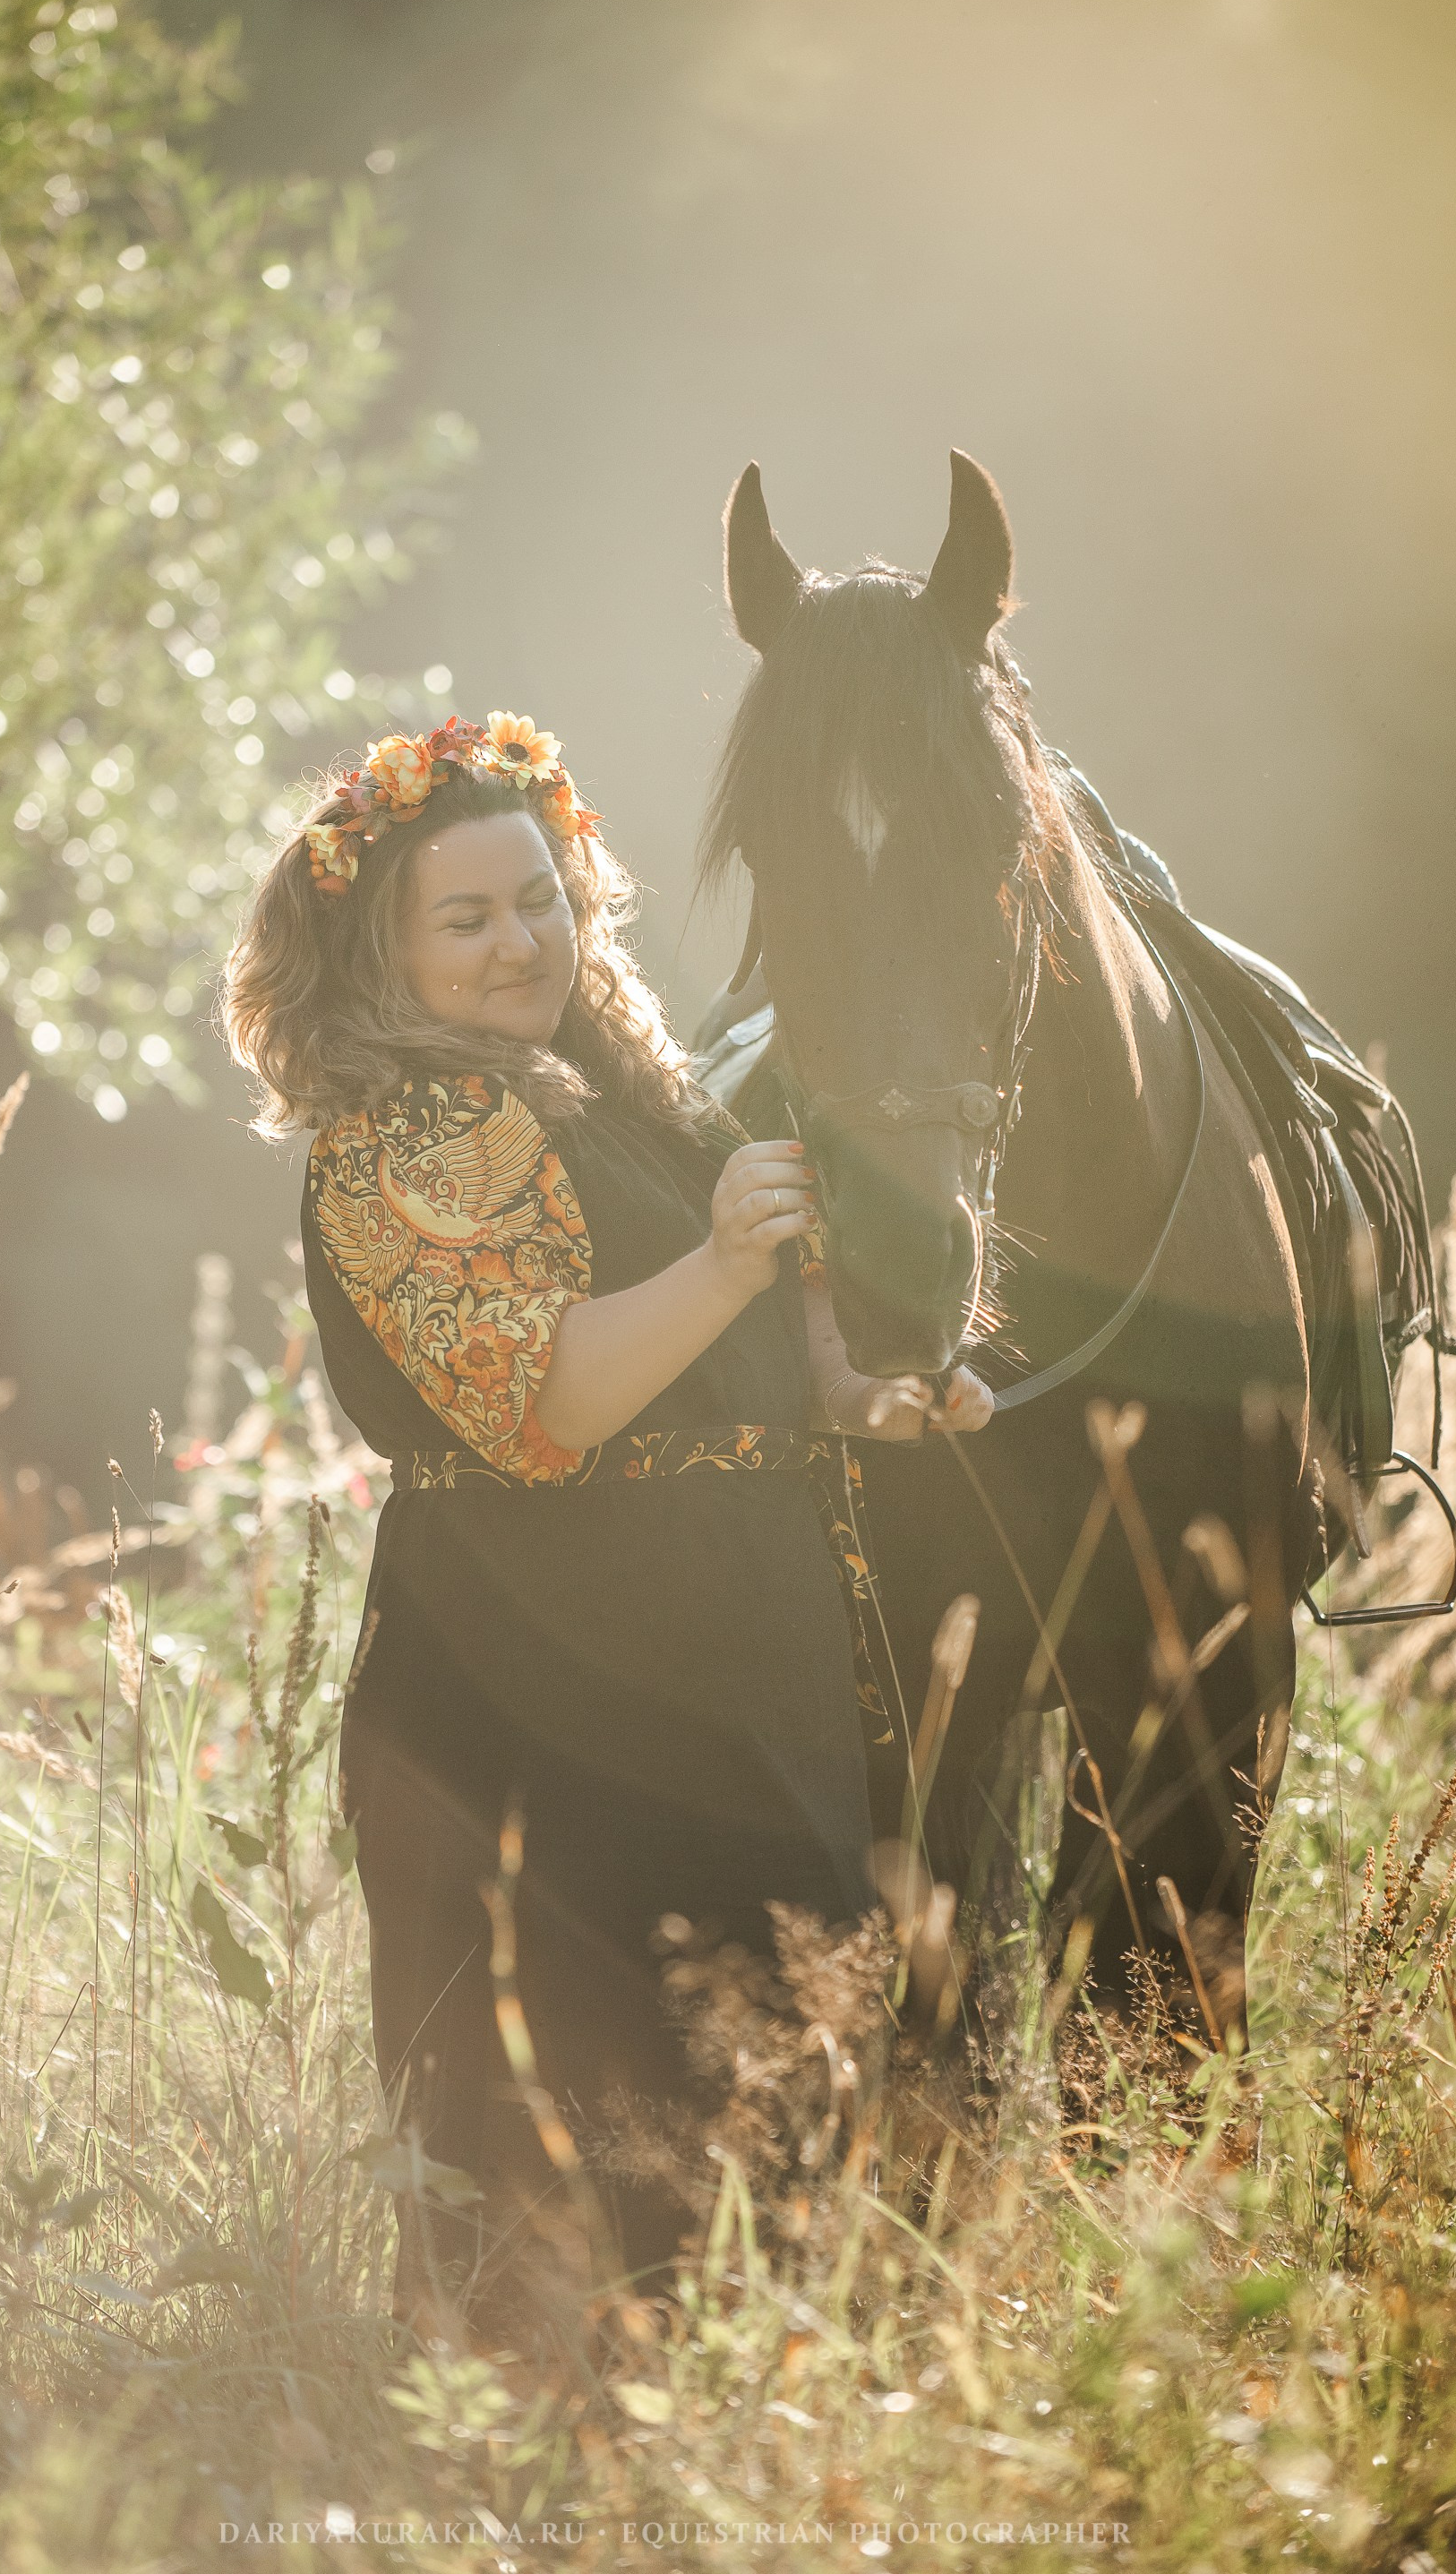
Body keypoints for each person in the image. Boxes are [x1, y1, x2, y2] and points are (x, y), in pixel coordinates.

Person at [221, 708, 990, 2331]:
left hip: (734, 1658)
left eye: (543, 898)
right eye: (469, 917)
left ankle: (766, 2465)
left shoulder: (623, 1095)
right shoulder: (406, 1130)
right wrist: (717, 1265)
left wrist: (868, 1397)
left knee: (780, 2097)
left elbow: (752, 1358)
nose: (523, 942)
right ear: (385, 947)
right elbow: (550, 1402)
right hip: (547, 1685)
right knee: (599, 2126)